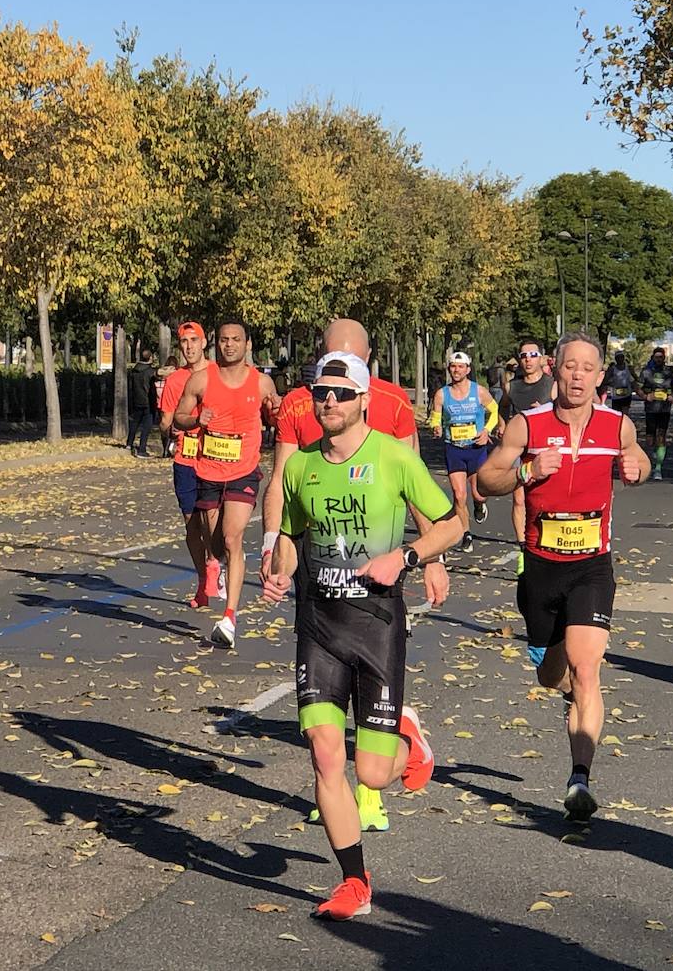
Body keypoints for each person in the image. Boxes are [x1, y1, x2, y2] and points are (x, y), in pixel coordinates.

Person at [264, 352, 462, 920]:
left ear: (363, 400)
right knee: (326, 756)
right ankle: (354, 881)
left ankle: (411, 742)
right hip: (319, 627)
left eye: (341, 393)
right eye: (320, 392)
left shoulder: (394, 457)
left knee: (372, 772)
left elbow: (454, 522)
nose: (329, 401)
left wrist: (407, 555)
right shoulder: (300, 465)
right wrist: (279, 567)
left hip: (376, 626)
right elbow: (293, 535)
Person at [478, 332, 646, 823]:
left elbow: (636, 460)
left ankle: (579, 779)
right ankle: (555, 668)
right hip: (541, 567)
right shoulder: (526, 425)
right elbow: (487, 479)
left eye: (587, 369)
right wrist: (526, 472)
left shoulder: (617, 426)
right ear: (557, 369)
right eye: (570, 366)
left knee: (587, 666)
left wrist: (638, 468)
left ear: (599, 376)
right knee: (553, 672)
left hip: (592, 564)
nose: (578, 376)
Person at [173, 320, 279, 647]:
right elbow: (178, 417)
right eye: (223, 340)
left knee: (233, 538)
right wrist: (195, 420)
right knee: (216, 544)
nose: (229, 345)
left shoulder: (261, 383)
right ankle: (214, 566)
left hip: (243, 471)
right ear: (216, 344)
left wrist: (275, 411)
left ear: (248, 345)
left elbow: (275, 414)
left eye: (235, 340)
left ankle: (230, 617)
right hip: (208, 471)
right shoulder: (201, 380)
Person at [157, 324, 220, 605]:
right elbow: (166, 422)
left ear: (204, 342)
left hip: (217, 457)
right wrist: (169, 435)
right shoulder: (174, 381)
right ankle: (203, 580)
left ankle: (215, 562)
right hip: (185, 458)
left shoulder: (218, 374)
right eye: (184, 341)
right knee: (192, 525)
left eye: (194, 340)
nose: (189, 346)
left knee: (213, 523)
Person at [430, 351, 498, 553]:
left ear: (468, 369)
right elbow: (435, 416)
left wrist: (486, 431)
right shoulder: (442, 394)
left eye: (460, 366)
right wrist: (436, 427)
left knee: (478, 493)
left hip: (476, 447)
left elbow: (494, 412)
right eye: (453, 366)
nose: (456, 370)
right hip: (454, 448)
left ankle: (478, 505)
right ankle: (466, 534)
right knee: (459, 495)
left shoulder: (479, 392)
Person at [499, 338, 555, 579]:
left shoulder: (552, 385)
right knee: (519, 500)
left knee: (548, 500)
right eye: (524, 355)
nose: (528, 359)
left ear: (541, 358)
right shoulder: (512, 387)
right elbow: (503, 406)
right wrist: (502, 425)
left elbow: (566, 410)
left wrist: (544, 412)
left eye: (533, 355)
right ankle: (523, 550)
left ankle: (548, 546)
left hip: (545, 449)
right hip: (520, 450)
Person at [637, 347, 673, 480]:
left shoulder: (669, 372)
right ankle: (653, 456)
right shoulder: (646, 372)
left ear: (664, 358)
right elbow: (637, 387)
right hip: (650, 409)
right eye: (656, 357)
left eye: (661, 357)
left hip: (664, 409)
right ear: (653, 358)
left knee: (661, 437)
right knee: (650, 439)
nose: (659, 359)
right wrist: (645, 396)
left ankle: (658, 468)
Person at [126, 348, 157, 457]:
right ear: (150, 358)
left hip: (136, 399)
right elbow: (152, 387)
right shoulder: (150, 372)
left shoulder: (134, 370)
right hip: (147, 401)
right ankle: (142, 449)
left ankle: (129, 443)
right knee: (147, 426)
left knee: (135, 422)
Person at [601, 350, 635, 416]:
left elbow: (635, 379)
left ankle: (624, 425)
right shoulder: (612, 369)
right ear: (616, 359)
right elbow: (605, 381)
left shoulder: (629, 368)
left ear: (623, 358)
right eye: (618, 357)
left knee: (625, 415)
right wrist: (609, 382)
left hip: (626, 395)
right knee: (616, 415)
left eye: (621, 357)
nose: (620, 359)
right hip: (616, 396)